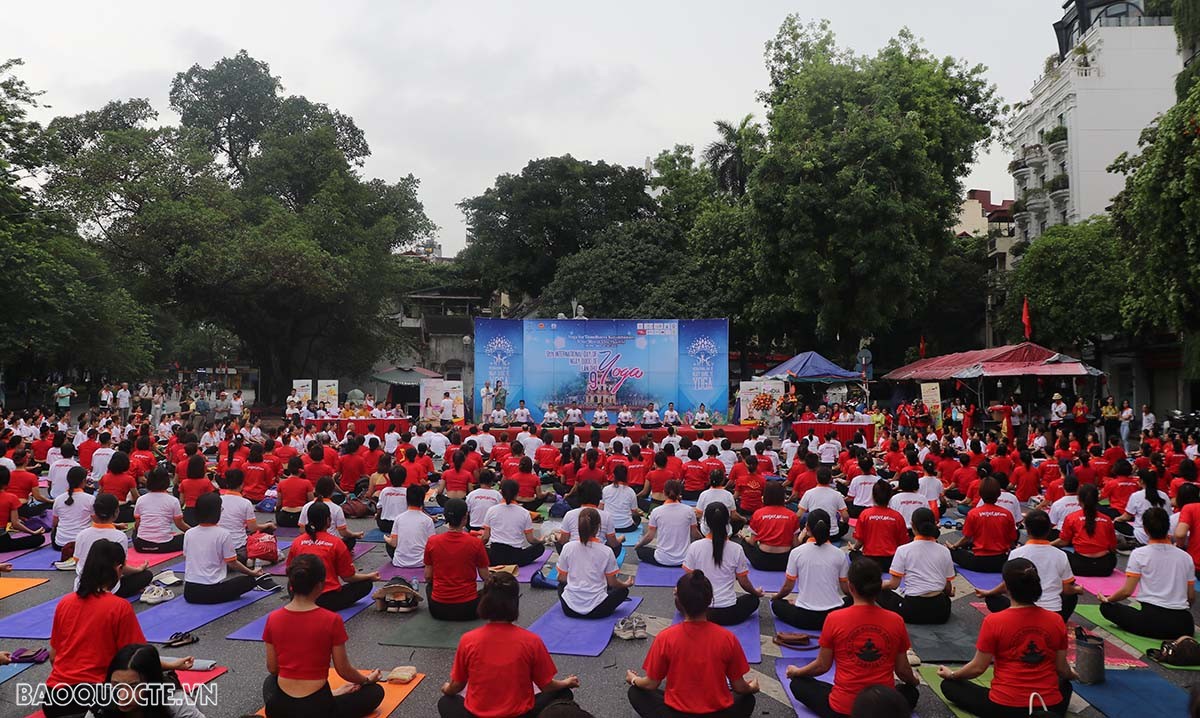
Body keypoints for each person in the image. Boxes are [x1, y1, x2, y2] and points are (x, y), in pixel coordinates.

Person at [44, 540, 193, 718]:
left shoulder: (64, 603)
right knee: (165, 686)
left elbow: (54, 657)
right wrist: (173, 665)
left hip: (53, 700)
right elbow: (140, 661)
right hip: (95, 701)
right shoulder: (118, 607)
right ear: (118, 569)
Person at [939, 558, 1076, 717]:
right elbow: (1062, 668)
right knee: (1065, 685)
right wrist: (1072, 674)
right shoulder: (1056, 620)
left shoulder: (994, 621)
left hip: (1005, 707)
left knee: (950, 685)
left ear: (1007, 587)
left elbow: (978, 668)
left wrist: (952, 675)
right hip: (1050, 705)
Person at [785, 559, 920, 718]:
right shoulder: (896, 620)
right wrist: (915, 681)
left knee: (798, 683)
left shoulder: (834, 618)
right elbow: (903, 671)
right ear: (879, 588)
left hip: (843, 709)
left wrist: (797, 671)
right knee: (911, 691)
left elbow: (822, 666)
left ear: (851, 587)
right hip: (883, 708)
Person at [439, 573, 580, 718]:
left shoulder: (468, 640)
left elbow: (457, 686)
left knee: (446, 702)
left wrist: (446, 689)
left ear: (484, 602)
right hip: (521, 715)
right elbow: (546, 685)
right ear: (515, 603)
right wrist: (566, 682)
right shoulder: (531, 640)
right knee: (564, 693)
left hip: (477, 716)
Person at [262, 554, 385, 718]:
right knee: (375, 692)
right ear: (321, 585)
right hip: (317, 709)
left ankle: (333, 694)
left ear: (291, 584)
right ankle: (334, 695)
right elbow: (344, 670)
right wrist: (367, 680)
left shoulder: (273, 618)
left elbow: (273, 668)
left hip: (279, 709)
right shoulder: (331, 620)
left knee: (270, 682)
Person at [626, 571, 759, 718]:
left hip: (676, 714)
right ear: (709, 601)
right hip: (718, 714)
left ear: (679, 603)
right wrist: (752, 688)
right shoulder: (727, 638)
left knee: (636, 691)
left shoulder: (665, 638)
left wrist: (633, 679)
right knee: (747, 699)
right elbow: (739, 687)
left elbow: (651, 684)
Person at [1098, 507, 1196, 639]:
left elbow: (1127, 591)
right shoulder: (1186, 557)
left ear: (1145, 530)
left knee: (1107, 608)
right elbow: (1190, 597)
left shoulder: (1139, 554)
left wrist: (1108, 599)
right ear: (1168, 527)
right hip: (1183, 625)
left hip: (1150, 620)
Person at [977, 510, 1080, 622]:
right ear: (1049, 530)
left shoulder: (1017, 553)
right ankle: (1058, 620)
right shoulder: (1061, 555)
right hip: (1053, 613)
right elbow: (1067, 590)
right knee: (1072, 595)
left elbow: (1007, 585)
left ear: (1027, 530)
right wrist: (1078, 589)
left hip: (1021, 613)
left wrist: (989, 592)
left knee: (993, 599)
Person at [288, 502, 379, 611]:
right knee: (366, 584)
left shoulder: (297, 542)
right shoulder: (336, 543)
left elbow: (289, 571)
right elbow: (348, 578)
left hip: (299, 596)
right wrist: (369, 576)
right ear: (328, 521)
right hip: (325, 598)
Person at [183, 492, 271, 603]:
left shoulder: (189, 533)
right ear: (216, 512)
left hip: (189, 592)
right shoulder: (223, 534)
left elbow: (188, 557)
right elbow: (232, 563)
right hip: (212, 591)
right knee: (249, 581)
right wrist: (252, 572)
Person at [684, 503, 763, 625]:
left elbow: (688, 579)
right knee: (753, 600)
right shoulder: (736, 549)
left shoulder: (695, 547)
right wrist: (756, 592)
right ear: (728, 521)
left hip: (700, 612)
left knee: (680, 599)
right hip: (727, 612)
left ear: (705, 522)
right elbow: (743, 582)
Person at [771, 509, 851, 629]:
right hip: (833, 617)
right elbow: (845, 589)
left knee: (776, 604)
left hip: (805, 616)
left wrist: (776, 597)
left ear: (807, 528)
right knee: (851, 600)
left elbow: (788, 587)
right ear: (829, 529)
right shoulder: (839, 554)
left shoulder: (796, 552)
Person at [86, 643, 207, 718]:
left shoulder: (174, 701)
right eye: (116, 686)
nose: (123, 696)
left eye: (134, 686)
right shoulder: (100, 706)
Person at [878, 508, 955, 624]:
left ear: (912, 526)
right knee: (945, 599)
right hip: (940, 612)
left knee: (879, 592)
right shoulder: (944, 551)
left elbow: (893, 585)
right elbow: (947, 587)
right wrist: (948, 593)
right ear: (935, 524)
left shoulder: (903, 550)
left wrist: (875, 585)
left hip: (912, 611)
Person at [556, 507, 634, 618]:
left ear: (579, 526)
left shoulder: (568, 547)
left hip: (569, 609)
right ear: (598, 528)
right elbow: (612, 583)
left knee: (561, 586)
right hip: (597, 610)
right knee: (623, 591)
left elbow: (561, 578)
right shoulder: (606, 551)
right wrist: (625, 584)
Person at [73, 493, 152, 597]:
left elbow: (78, 562)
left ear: (95, 513)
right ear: (116, 512)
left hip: (82, 587)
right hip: (109, 588)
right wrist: (138, 569)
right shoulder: (119, 536)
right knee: (146, 575)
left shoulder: (82, 534)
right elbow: (122, 568)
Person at [424, 498, 490, 621]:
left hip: (438, 609)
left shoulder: (433, 541)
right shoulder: (475, 543)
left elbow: (428, 576)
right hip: (468, 609)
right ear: (465, 518)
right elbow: (485, 577)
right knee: (491, 589)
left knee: (429, 587)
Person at [947, 477, 1017, 573]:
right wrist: (1015, 552)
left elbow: (967, 538)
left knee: (949, 551)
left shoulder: (973, 513)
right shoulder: (1007, 514)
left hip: (979, 562)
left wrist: (954, 546)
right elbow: (1011, 540)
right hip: (1002, 562)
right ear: (999, 494)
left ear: (980, 494)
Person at [1052, 483, 1118, 577]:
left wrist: (1048, 545)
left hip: (1079, 567)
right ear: (1097, 500)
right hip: (1105, 567)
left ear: (1079, 500)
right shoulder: (1107, 520)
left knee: (1061, 553)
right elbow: (1112, 546)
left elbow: (1063, 542)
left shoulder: (1072, 518)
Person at [481, 479, 548, 566]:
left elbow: (485, 538)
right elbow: (531, 540)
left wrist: (477, 546)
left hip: (495, 557)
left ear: (501, 492)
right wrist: (541, 541)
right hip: (516, 558)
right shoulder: (524, 513)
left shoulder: (492, 510)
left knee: (478, 548)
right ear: (517, 493)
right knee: (539, 548)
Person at [634, 480, 699, 567]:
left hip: (662, 559)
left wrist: (639, 545)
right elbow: (695, 534)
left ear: (664, 493)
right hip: (684, 559)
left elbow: (650, 536)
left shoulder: (656, 512)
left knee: (640, 551)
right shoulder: (689, 511)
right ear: (680, 493)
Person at [849, 481, 909, 572]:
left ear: (873, 496)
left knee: (853, 554)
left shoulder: (865, 514)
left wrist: (853, 548)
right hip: (891, 561)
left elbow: (860, 541)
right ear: (890, 496)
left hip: (870, 561)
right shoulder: (897, 517)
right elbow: (902, 543)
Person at [741, 482, 798, 571]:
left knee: (744, 543)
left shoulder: (758, 514)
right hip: (785, 562)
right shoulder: (792, 516)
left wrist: (744, 537)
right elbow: (795, 544)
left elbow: (752, 542)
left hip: (761, 562)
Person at [133, 466, 189, 553]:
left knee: (134, 532)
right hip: (163, 545)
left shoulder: (141, 499)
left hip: (140, 545)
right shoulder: (173, 501)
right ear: (166, 481)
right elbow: (180, 524)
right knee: (186, 537)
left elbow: (137, 524)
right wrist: (193, 532)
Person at [0, 466, 47, 553]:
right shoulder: (11, 498)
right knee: (39, 539)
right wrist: (33, 532)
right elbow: (15, 524)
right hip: (2, 541)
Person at [387, 484, 435, 567]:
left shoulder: (399, 518)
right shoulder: (427, 520)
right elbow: (432, 544)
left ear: (407, 499)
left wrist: (385, 538)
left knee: (389, 542)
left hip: (399, 562)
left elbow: (393, 543)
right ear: (422, 500)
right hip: (421, 562)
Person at [51, 466, 95, 553]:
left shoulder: (58, 499)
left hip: (60, 544)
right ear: (83, 481)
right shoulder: (90, 499)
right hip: (82, 544)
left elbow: (54, 523)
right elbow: (97, 521)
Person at [603, 465, 642, 532]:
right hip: (626, 526)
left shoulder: (606, 489)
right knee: (637, 518)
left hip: (608, 527)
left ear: (613, 475)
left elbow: (601, 507)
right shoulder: (631, 491)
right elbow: (634, 512)